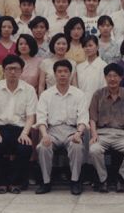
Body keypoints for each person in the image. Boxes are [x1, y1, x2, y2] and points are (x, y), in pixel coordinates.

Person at [0, 55, 38, 194]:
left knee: (25, 148)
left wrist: (25, 133)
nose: (13, 72)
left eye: (16, 69)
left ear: (21, 71)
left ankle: (16, 182)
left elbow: (31, 117)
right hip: (0, 128)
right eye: (9, 69)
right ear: (3, 70)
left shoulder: (29, 90)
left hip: (20, 129)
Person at [35, 59, 88, 195]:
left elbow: (83, 117)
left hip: (72, 130)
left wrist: (79, 133)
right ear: (55, 74)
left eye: (65, 71)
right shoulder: (46, 94)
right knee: (42, 147)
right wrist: (44, 135)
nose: (62, 74)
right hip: (52, 131)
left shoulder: (79, 94)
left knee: (77, 146)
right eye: (59, 72)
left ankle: (75, 181)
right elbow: (41, 118)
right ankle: (46, 182)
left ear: (70, 74)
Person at [88, 63, 124, 193]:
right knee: (94, 150)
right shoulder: (98, 94)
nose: (112, 79)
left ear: (121, 78)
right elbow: (92, 118)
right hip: (102, 134)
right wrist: (94, 135)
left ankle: (121, 178)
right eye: (109, 76)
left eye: (115, 76)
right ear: (105, 77)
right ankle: (103, 179)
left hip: (122, 134)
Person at [74, 35, 107, 106]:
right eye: (85, 46)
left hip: (98, 105)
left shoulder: (103, 66)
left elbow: (105, 88)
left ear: (97, 47)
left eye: (90, 45)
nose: (88, 48)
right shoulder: (79, 67)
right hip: (81, 105)